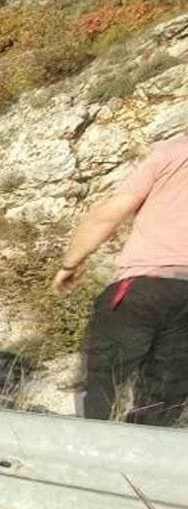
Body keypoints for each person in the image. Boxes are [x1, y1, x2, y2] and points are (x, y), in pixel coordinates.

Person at [54, 136, 188, 426]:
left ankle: (91, 452)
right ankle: (134, 463)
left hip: (145, 284)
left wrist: (71, 263)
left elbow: (107, 215)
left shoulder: (173, 153)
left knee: (103, 382)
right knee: (165, 397)